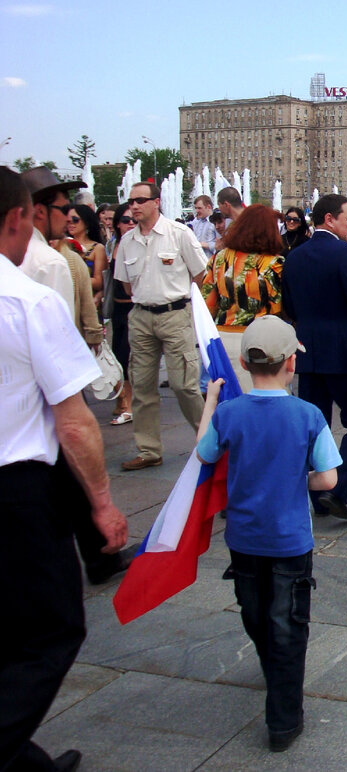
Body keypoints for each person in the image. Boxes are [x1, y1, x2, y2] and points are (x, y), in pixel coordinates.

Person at [0, 165, 129, 772]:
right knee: (50, 631)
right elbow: (74, 420)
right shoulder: (25, 300)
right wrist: (101, 502)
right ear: (17, 217)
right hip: (17, 491)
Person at [195, 316, 340, 753]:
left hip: (244, 539)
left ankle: (271, 665)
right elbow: (328, 480)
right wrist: (299, 481)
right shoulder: (308, 415)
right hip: (291, 541)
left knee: (255, 613)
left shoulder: (230, 414)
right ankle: (283, 720)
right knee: (290, 625)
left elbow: (205, 454)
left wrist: (211, 402)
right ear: (291, 363)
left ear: (243, 361)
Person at [282, 193, 347, 521]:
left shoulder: (295, 256)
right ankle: (335, 492)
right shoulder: (344, 254)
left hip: (309, 352)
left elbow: (290, 307)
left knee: (316, 425)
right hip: (346, 351)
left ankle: (317, 495)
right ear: (329, 219)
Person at [114, 180, 209, 471]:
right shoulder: (128, 241)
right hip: (141, 315)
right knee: (142, 386)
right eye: (131, 201)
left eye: (140, 200)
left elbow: (200, 274)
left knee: (184, 385)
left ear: (157, 202)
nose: (134, 206)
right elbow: (126, 285)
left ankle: (209, 442)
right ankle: (149, 449)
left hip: (175, 314)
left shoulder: (178, 233)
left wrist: (178, 299)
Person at [201, 204, 286, 394]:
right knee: (262, 398)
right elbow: (277, 307)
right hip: (259, 339)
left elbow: (208, 303)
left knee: (228, 400)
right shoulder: (273, 263)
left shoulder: (218, 259)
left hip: (222, 337)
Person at [17, 167, 76, 310]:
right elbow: (59, 328)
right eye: (65, 209)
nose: (69, 219)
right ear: (40, 211)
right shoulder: (50, 262)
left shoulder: (12, 251)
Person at [106, 205, 135, 425]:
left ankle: (129, 404)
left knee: (129, 356)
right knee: (117, 355)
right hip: (116, 307)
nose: (131, 224)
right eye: (126, 220)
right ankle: (123, 399)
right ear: (117, 223)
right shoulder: (111, 245)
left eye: (134, 220)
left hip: (134, 307)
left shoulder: (136, 244)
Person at [65, 203, 108, 304]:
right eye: (67, 221)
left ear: (86, 222)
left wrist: (71, 278)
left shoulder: (97, 248)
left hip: (89, 301)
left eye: (75, 220)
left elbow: (99, 282)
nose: (71, 224)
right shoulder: (62, 245)